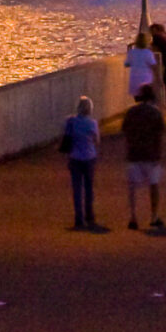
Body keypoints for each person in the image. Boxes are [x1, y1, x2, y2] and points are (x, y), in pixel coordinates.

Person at [122, 84, 166, 230]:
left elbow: (124, 129)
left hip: (134, 153)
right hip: (152, 154)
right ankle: (153, 217)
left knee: (133, 187)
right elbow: (162, 133)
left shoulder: (131, 112)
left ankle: (133, 217)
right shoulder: (155, 113)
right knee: (153, 186)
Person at [60, 94, 103, 230]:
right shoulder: (92, 123)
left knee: (77, 189)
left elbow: (65, 136)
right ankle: (89, 216)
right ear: (89, 109)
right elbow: (97, 140)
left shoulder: (70, 121)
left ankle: (78, 218)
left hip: (75, 157)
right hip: (89, 157)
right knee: (89, 188)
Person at [125, 27, 161, 102]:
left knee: (138, 99)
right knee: (148, 97)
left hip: (135, 78)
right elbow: (153, 65)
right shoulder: (148, 53)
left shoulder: (132, 52)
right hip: (146, 78)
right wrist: (158, 77)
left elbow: (127, 64)